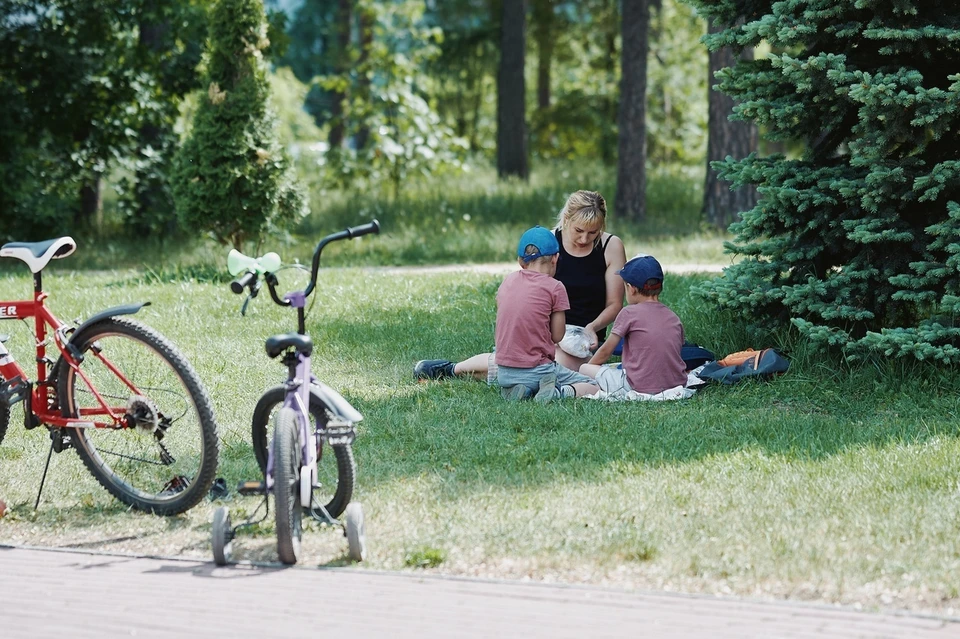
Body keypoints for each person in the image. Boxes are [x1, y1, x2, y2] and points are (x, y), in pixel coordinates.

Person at [414, 190, 627, 381]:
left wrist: (592, 328)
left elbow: (614, 304)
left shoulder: (611, 246)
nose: (584, 238)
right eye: (579, 230)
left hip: (582, 339)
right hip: (540, 331)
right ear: (566, 219)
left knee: (552, 368)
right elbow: (527, 293)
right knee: (532, 366)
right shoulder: (548, 244)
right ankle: (452, 369)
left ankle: (456, 370)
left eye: (593, 233)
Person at [493, 226, 598, 402]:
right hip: (540, 370)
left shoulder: (508, 280)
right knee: (593, 385)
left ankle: (518, 389)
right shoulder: (555, 287)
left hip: (503, 371)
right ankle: (558, 393)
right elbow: (557, 335)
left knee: (522, 382)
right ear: (555, 259)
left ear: (520, 261)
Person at [579, 254, 687, 396]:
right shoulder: (673, 317)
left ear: (631, 288)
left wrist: (591, 366)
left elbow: (606, 350)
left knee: (584, 369)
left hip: (637, 385)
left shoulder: (629, 313)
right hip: (675, 383)